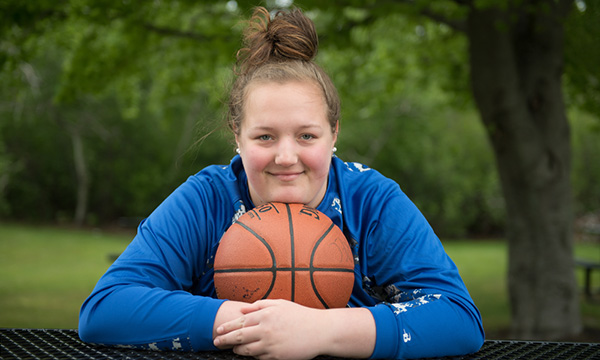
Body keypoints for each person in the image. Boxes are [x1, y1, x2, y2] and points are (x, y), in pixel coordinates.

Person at [79, 6, 485, 360]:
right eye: (265, 137)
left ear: (334, 134)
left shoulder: (372, 201)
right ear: (237, 136)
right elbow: (105, 309)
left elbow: (458, 318)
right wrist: (249, 324)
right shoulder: (205, 200)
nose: (286, 156)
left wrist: (318, 330)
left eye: (306, 136)